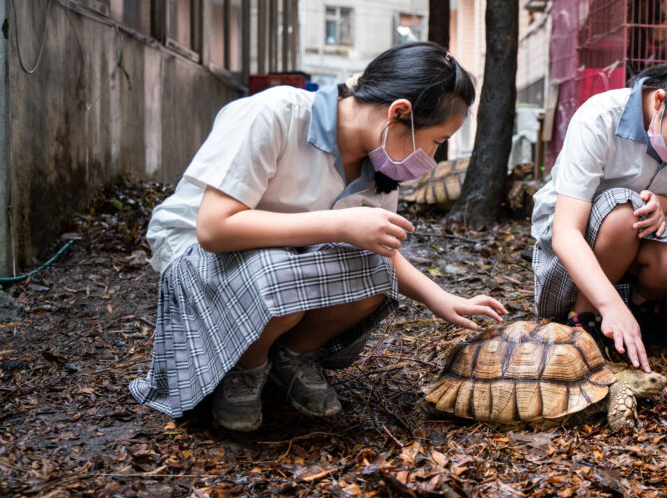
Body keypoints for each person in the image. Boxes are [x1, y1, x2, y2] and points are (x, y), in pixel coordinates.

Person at [130, 42, 507, 431]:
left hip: (279, 262)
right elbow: (213, 228)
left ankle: (292, 358)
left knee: (374, 273)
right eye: (437, 141)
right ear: (398, 113)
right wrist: (339, 225)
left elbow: (380, 251)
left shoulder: (380, 169)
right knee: (285, 278)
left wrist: (440, 298)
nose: (431, 156)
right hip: (197, 253)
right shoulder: (276, 114)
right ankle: (245, 367)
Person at [531, 59, 667, 371]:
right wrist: (610, 306)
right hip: (578, 242)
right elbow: (566, 233)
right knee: (623, 214)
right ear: (660, 100)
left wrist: (663, 202)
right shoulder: (600, 117)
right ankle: (584, 316)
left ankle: (640, 309)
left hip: (638, 238)